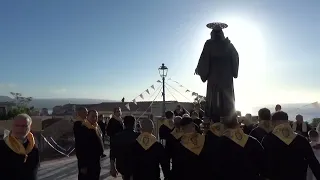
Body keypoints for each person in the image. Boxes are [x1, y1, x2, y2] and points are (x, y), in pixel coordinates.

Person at [195, 22, 239, 122]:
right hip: (226, 78)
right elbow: (236, 57)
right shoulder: (229, 45)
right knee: (227, 98)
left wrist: (200, 69)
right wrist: (233, 71)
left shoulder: (209, 44)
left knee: (214, 99)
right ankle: (229, 118)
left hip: (213, 77)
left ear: (212, 33)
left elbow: (204, 59)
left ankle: (214, 119)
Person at [262, 111, 320, 180]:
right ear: (287, 121)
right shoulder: (301, 139)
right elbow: (313, 162)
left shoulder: (268, 139)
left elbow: (264, 163)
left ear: (275, 122)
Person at [212, 113, 267, 180]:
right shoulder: (252, 141)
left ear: (222, 126)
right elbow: (264, 164)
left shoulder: (216, 144)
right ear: (238, 124)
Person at [0, 114, 40, 180]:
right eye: (17, 125)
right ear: (12, 126)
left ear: (30, 127)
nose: (20, 129)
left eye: (24, 126)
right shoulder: (2, 146)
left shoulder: (33, 146)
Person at [74, 110, 104, 180]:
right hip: (87, 163)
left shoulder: (96, 127)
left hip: (96, 161)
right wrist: (83, 166)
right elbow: (79, 148)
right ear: (87, 116)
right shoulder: (83, 129)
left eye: (96, 116)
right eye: (92, 116)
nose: (95, 118)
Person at [110, 115, 140, 180]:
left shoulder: (116, 136)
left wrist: (112, 167)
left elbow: (112, 152)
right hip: (135, 165)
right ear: (134, 124)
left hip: (121, 165)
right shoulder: (138, 136)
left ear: (124, 124)